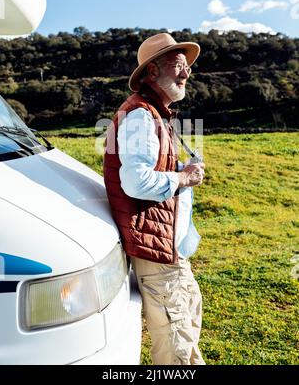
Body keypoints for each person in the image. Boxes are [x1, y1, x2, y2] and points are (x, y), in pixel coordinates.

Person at [103, 33, 206, 365]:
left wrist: (177, 169)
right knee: (178, 347)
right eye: (177, 66)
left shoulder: (155, 113)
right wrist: (183, 177)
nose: (185, 73)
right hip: (155, 248)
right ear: (151, 73)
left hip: (166, 244)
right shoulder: (141, 116)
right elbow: (135, 181)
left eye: (187, 66)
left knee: (187, 317)